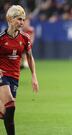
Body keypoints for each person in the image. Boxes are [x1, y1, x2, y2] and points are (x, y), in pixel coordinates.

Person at [0, 5, 39, 135]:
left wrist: (34, 76)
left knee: (5, 113)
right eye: (19, 19)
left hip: (14, 76)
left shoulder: (25, 38)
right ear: (10, 19)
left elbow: (29, 56)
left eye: (23, 19)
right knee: (11, 105)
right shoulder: (1, 38)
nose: (22, 22)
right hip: (1, 74)